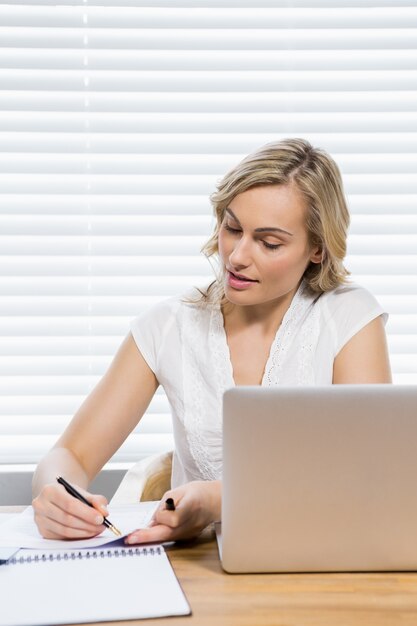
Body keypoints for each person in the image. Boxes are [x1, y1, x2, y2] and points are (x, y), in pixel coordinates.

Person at [32, 138, 391, 543]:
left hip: (325, 558)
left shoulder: (348, 317)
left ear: (318, 250)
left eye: (269, 242)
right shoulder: (168, 326)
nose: (237, 256)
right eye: (232, 227)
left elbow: (368, 474)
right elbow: (70, 456)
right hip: (199, 569)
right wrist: (55, 494)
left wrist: (219, 501)